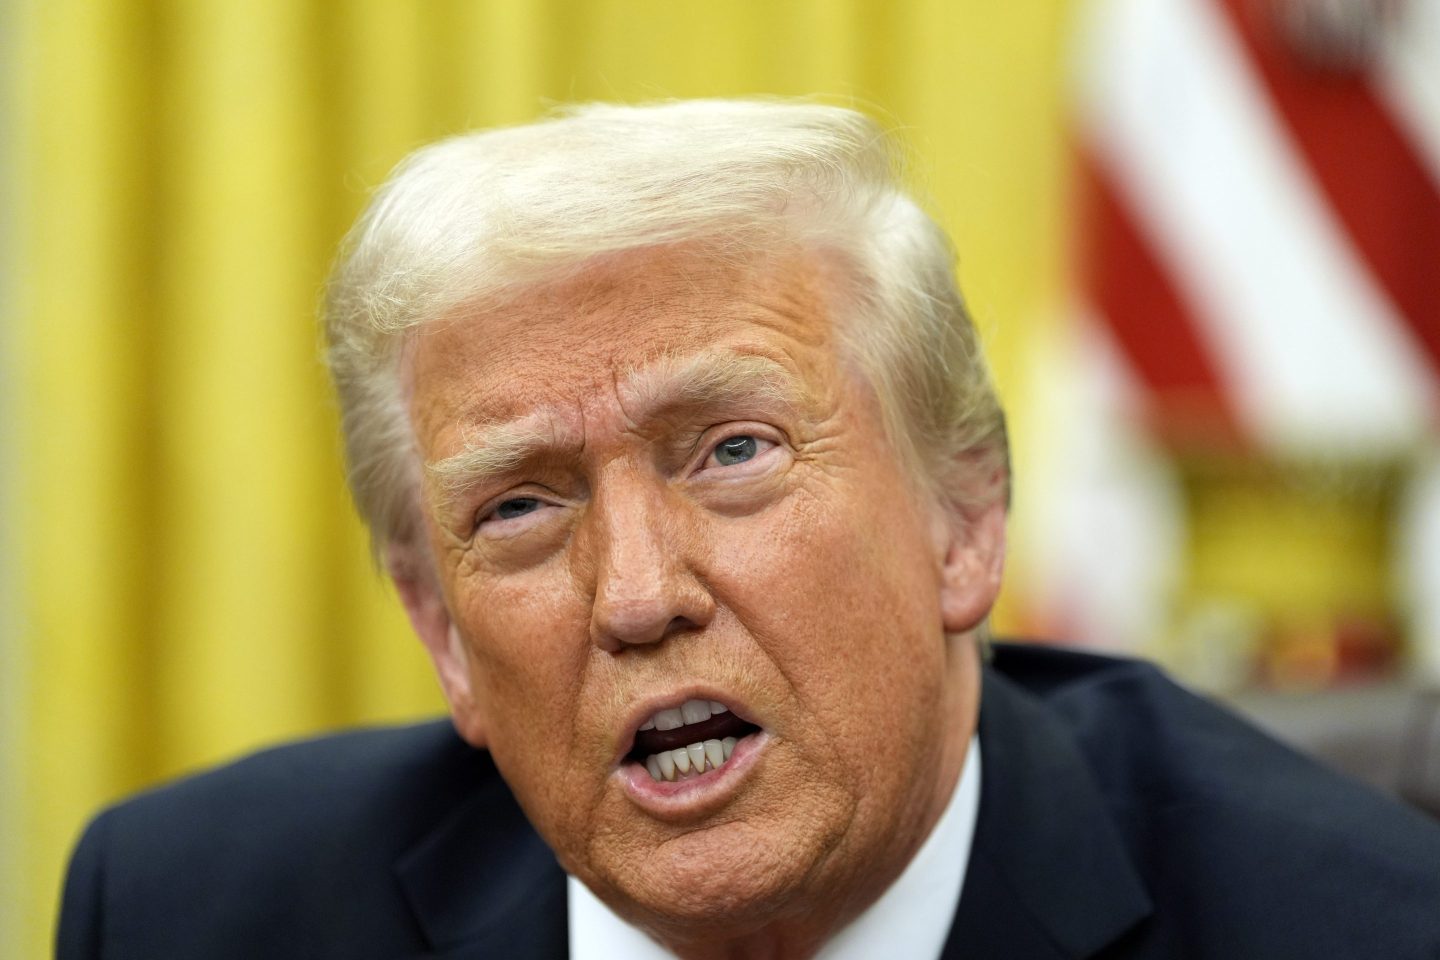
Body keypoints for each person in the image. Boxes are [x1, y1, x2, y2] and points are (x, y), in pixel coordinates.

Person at [58, 99, 1440, 960]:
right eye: (523, 505)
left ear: (962, 519)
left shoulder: (1353, 926)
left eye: (732, 452)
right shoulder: (188, 914)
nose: (638, 595)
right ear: (442, 633)